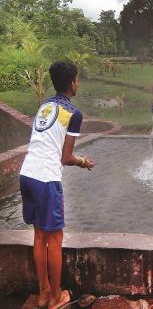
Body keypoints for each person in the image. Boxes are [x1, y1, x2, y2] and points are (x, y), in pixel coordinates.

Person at [19, 61, 95, 309]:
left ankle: (42, 293)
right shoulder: (73, 114)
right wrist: (84, 162)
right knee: (55, 238)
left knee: (39, 235)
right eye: (77, 80)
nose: (78, 83)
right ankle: (55, 297)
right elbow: (66, 158)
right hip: (46, 178)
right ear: (73, 83)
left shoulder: (45, 106)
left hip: (27, 173)